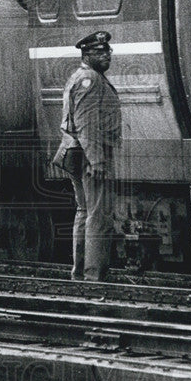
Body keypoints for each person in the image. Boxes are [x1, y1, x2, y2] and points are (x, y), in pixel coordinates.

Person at [52, 31, 122, 282]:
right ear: (86, 55)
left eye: (107, 52)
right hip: (89, 154)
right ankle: (94, 276)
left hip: (77, 152)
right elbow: (87, 124)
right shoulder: (90, 79)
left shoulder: (82, 77)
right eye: (99, 53)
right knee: (99, 215)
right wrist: (98, 160)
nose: (105, 56)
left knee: (84, 212)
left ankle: (81, 274)